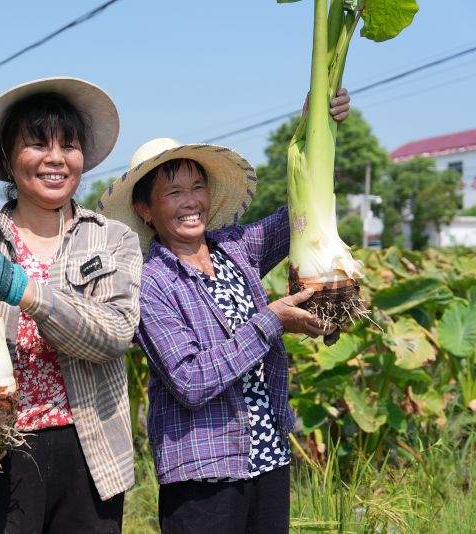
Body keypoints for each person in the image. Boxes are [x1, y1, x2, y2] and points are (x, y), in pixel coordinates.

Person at [97, 92, 350, 533]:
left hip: (268, 455)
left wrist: (318, 130)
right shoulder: (151, 283)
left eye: (197, 188)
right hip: (204, 473)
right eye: (173, 192)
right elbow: (192, 381)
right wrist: (272, 320)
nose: (190, 201)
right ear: (145, 210)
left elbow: (300, 212)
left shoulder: (236, 248)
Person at [0, 77, 143, 533]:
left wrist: (25, 291)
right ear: (7, 158)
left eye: (69, 144)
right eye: (38, 143)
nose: (56, 158)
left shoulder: (111, 238)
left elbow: (116, 334)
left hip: (90, 454)